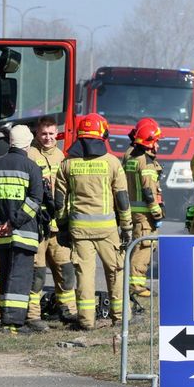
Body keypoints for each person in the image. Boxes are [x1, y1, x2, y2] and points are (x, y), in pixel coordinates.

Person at [54, 113, 131, 330]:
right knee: (116, 271)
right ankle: (120, 319)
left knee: (84, 275)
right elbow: (122, 199)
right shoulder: (112, 163)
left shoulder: (67, 164)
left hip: (79, 230)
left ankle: (86, 321)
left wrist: (62, 227)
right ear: (102, 134)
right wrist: (126, 228)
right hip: (108, 230)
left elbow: (59, 201)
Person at [0, 124, 46, 334]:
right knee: (19, 279)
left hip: (1, 234)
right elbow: (35, 200)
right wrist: (14, 222)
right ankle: (14, 324)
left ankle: (5, 321)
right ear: (28, 144)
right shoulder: (31, 167)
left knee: (7, 275)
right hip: (24, 233)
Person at [26, 116, 77, 325]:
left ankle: (68, 311)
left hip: (58, 225)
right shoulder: (29, 155)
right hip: (38, 225)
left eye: (51, 134)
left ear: (57, 134)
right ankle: (33, 316)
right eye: (43, 134)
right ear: (36, 134)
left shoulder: (61, 157)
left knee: (65, 269)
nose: (47, 138)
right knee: (37, 273)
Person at [123, 117, 165, 298]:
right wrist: (157, 214)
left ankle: (132, 283)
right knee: (144, 247)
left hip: (132, 211)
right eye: (156, 141)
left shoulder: (129, 155)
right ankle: (136, 286)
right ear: (150, 143)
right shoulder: (145, 162)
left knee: (136, 245)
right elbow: (149, 190)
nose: (158, 145)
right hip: (145, 214)